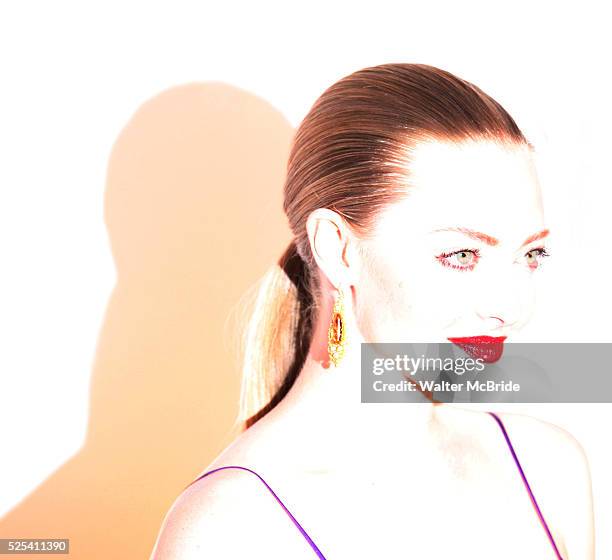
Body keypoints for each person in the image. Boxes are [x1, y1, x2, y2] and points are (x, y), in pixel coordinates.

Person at [150, 63, 595, 559]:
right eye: (462, 255)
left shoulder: (548, 467)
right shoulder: (230, 529)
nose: (513, 308)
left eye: (530, 254)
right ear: (338, 249)